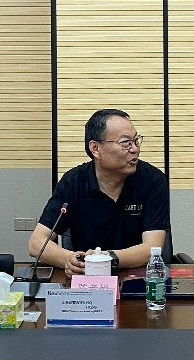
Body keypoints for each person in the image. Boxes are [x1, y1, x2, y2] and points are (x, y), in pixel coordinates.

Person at [28, 109, 169, 276]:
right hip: (88, 279)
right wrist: (69, 259)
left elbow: (152, 248)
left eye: (136, 140)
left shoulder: (152, 180)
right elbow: (36, 243)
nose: (135, 149)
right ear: (95, 148)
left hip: (139, 280)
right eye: (126, 143)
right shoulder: (73, 182)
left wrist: (106, 259)